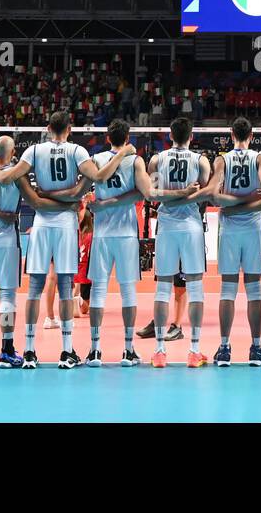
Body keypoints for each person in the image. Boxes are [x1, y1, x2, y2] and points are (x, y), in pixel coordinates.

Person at [0, 110, 135, 368]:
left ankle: (29, 351)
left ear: (48, 127)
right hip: (64, 223)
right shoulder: (77, 151)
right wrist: (74, 194)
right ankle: (66, 350)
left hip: (41, 223)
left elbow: (7, 177)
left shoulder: (34, 152)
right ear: (69, 129)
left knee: (35, 289)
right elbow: (98, 177)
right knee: (64, 286)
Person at [0, 136, 65, 368]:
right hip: (7, 240)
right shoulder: (16, 176)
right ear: (12, 155)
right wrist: (64, 204)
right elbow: (36, 201)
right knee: (7, 297)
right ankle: (7, 349)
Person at [206, 117, 261, 366]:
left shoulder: (221, 160)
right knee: (254, 288)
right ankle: (256, 348)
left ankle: (224, 348)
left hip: (228, 227)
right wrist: (247, 199)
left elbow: (214, 197)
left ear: (230, 134)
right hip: (252, 226)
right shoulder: (260, 158)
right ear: (252, 135)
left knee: (227, 289)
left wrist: (232, 203)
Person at [81, 119, 150, 367]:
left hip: (102, 233)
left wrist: (103, 203)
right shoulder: (135, 160)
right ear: (128, 137)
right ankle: (128, 349)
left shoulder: (96, 159)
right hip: (126, 234)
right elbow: (144, 193)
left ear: (107, 138)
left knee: (98, 290)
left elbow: (86, 192)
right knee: (127, 291)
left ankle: (95, 350)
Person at [145, 116, 209, 368]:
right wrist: (185, 195)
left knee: (163, 287)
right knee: (195, 288)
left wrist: (171, 198)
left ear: (170, 135)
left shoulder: (157, 160)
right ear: (191, 136)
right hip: (192, 225)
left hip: (167, 225)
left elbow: (154, 193)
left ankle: (160, 350)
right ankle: (194, 350)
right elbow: (205, 191)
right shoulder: (200, 160)